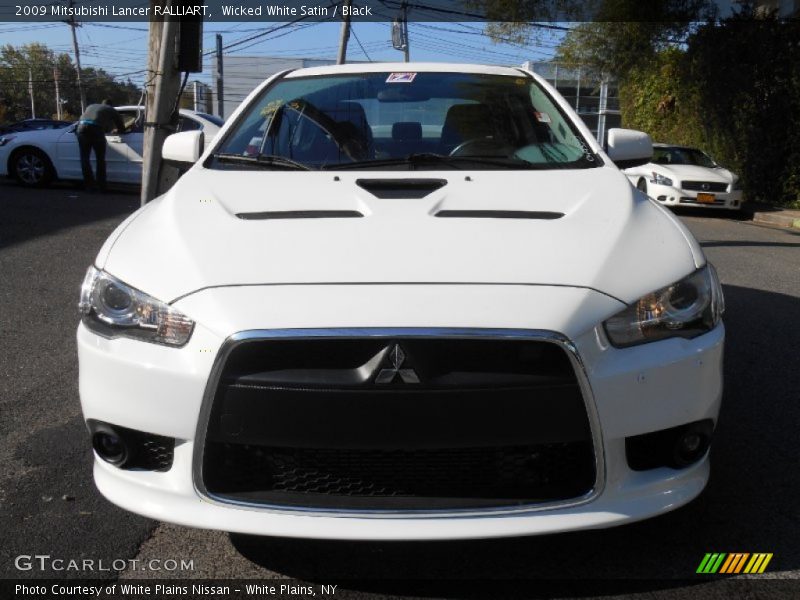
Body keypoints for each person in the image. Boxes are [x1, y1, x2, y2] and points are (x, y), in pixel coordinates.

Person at [76, 100, 125, 191]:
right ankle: (101, 186)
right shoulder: (111, 109)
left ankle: (89, 186)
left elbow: (82, 119)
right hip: (96, 129)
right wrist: (120, 131)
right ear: (111, 105)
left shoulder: (91, 106)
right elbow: (120, 125)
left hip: (81, 128)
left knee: (84, 158)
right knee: (100, 159)